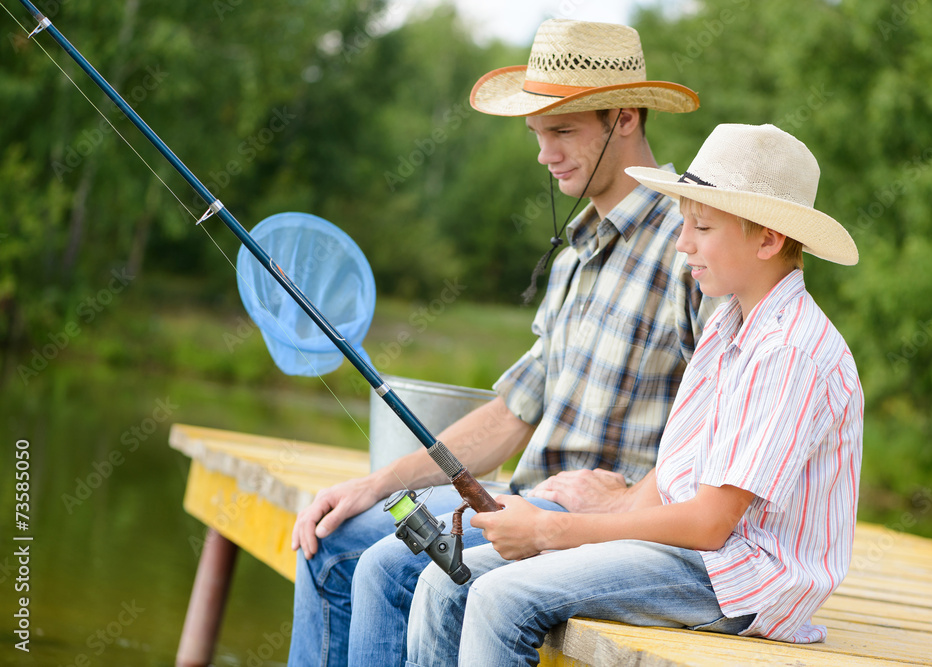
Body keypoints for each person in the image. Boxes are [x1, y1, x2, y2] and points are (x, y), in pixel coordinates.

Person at [289, 19, 716, 666]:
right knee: (335, 532)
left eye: (563, 130)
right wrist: (373, 485)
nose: (545, 153)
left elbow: (727, 409)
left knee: (384, 567)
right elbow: (513, 412)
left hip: (610, 523)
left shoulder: (696, 244)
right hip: (523, 497)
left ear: (625, 116)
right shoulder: (576, 256)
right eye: (538, 134)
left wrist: (628, 501)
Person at [405, 123, 865, 666]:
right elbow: (683, 466)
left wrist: (557, 530)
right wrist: (601, 507)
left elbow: (711, 524)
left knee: (502, 597)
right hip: (692, 553)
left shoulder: (789, 351)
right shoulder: (730, 326)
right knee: (446, 583)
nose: (682, 242)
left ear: (768, 239)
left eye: (703, 227)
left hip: (740, 577)